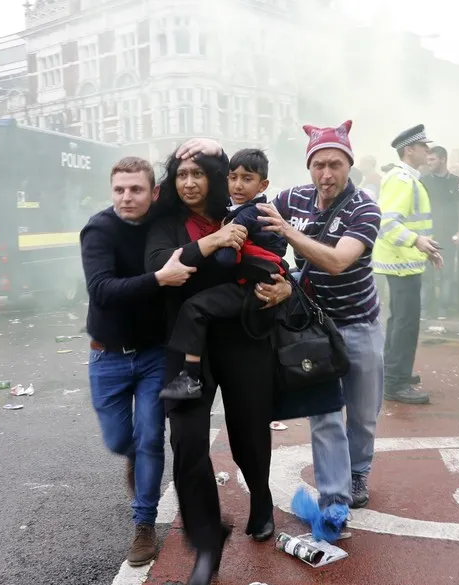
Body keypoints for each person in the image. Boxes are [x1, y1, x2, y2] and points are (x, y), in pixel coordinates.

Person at [146, 142, 292, 585]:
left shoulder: (241, 208)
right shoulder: (166, 222)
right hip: (187, 348)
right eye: (180, 175)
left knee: (249, 430)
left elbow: (282, 259)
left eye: (197, 173)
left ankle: (261, 500)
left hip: (245, 337)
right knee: (187, 442)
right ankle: (207, 543)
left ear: (215, 175)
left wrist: (286, 287)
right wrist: (209, 244)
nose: (188, 182)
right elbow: (159, 267)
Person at [257, 120, 385, 512]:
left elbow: (336, 262)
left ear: (349, 165)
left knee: (363, 413)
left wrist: (287, 233)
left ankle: (359, 471)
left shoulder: (365, 208)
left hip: (358, 323)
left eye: (335, 164)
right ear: (309, 167)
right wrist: (281, 279)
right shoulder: (289, 200)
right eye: (319, 165)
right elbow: (261, 245)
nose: (326, 174)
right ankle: (336, 494)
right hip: (312, 326)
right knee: (324, 413)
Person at [80, 156, 196, 568]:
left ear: (154, 193)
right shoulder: (98, 230)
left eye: (136, 190)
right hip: (107, 356)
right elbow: (103, 290)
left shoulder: (164, 222)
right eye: (119, 190)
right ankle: (136, 458)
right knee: (119, 440)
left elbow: (200, 188)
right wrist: (159, 280)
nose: (126, 198)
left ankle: (143, 524)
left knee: (151, 438)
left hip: (152, 356)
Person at [159, 149, 287, 400]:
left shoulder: (248, 213)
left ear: (263, 184)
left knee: (194, 308)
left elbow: (227, 258)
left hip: (255, 286)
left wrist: (215, 245)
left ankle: (190, 377)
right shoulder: (249, 209)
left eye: (247, 178)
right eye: (233, 177)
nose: (238, 185)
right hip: (258, 282)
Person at [373, 125, 442, 405]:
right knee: (406, 322)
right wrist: (417, 242)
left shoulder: (407, 178)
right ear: (409, 149)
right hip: (401, 262)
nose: (429, 150)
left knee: (400, 319)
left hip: (404, 261)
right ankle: (395, 382)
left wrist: (425, 247)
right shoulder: (402, 179)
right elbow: (387, 223)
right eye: (424, 146)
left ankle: (393, 371)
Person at [421, 145, 459, 320]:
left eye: (432, 159)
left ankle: (443, 309)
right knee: (426, 274)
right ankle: (424, 308)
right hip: (427, 233)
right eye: (428, 159)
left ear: (443, 159)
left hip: (448, 233)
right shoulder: (423, 181)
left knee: (446, 273)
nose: (428, 162)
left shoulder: (456, 181)